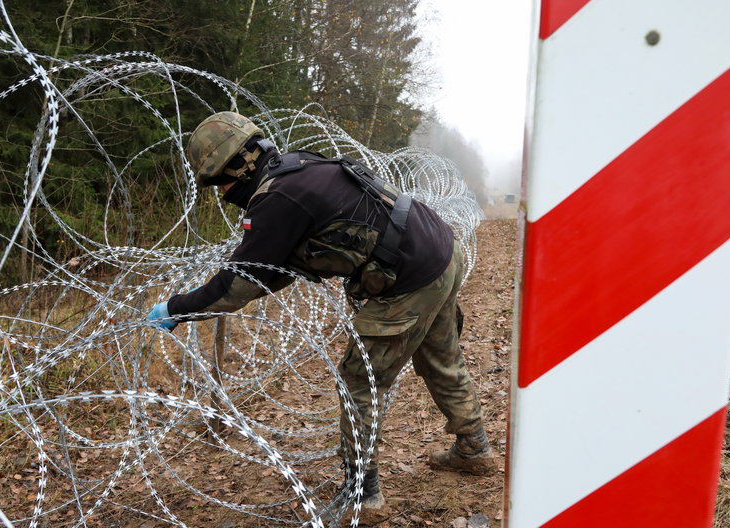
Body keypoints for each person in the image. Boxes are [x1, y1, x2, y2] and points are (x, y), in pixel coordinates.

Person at [147, 111, 493, 510]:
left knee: (360, 381)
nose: (222, 192)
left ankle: (363, 493)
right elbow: (278, 269)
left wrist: (176, 308)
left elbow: (237, 287)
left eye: (219, 180)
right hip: (439, 249)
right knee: (441, 356)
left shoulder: (276, 199)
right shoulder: (301, 166)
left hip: (410, 277)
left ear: (240, 167)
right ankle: (474, 447)